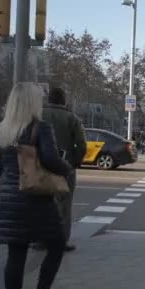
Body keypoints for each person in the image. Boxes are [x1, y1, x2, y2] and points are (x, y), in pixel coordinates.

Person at [0, 83, 72, 289]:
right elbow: (50, 160)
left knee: (15, 254)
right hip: (36, 200)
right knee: (57, 244)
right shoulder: (40, 127)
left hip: (8, 200)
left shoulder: (2, 131)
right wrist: (66, 168)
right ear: (31, 103)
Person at [42, 87, 87, 252]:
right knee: (64, 205)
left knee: (40, 202)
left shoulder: (37, 115)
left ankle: (40, 239)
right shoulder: (71, 118)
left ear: (49, 99)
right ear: (63, 100)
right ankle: (61, 241)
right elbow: (81, 145)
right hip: (64, 166)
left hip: (40, 167)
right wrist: (74, 162)